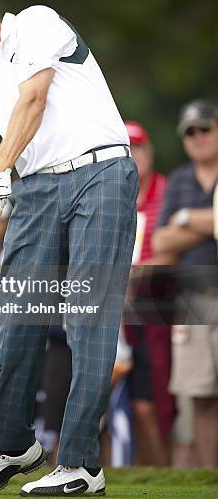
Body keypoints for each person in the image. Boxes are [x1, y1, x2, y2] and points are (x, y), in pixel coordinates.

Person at [0, 0, 138, 495]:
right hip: (37, 190)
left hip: (99, 173)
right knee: (14, 312)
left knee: (86, 317)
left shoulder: (36, 24)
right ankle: (12, 444)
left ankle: (80, 463)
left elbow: (32, 100)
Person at [152, 99, 218, 468]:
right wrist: (209, 226)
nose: (197, 137)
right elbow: (161, 242)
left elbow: (175, 234)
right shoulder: (178, 179)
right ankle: (211, 479)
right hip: (192, 300)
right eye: (190, 132)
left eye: (204, 128)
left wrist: (187, 219)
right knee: (200, 396)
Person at [123, 121, 176, 466]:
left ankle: (165, 469)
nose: (134, 156)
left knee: (157, 398)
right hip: (119, 312)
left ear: (150, 152)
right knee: (133, 403)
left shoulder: (167, 191)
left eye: (139, 148)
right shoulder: (113, 195)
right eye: (127, 149)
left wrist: (136, 273)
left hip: (161, 309)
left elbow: (176, 252)